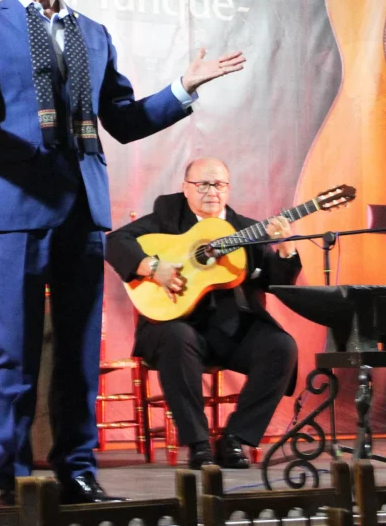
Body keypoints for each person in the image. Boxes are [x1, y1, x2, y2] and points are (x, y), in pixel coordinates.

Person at [0, 0, 246, 505]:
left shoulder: (93, 33)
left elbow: (122, 120)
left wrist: (184, 87)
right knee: (15, 355)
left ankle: (76, 471)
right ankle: (16, 480)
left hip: (81, 215)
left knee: (78, 355)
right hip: (17, 214)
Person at [104, 157, 301, 470]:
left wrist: (287, 250)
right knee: (176, 338)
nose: (213, 191)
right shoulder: (167, 218)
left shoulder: (246, 229)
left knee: (282, 347)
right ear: (185, 188)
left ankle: (236, 439)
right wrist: (154, 268)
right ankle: (198, 444)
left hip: (231, 329)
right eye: (203, 184)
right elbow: (115, 242)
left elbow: (274, 282)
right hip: (174, 324)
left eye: (220, 184)